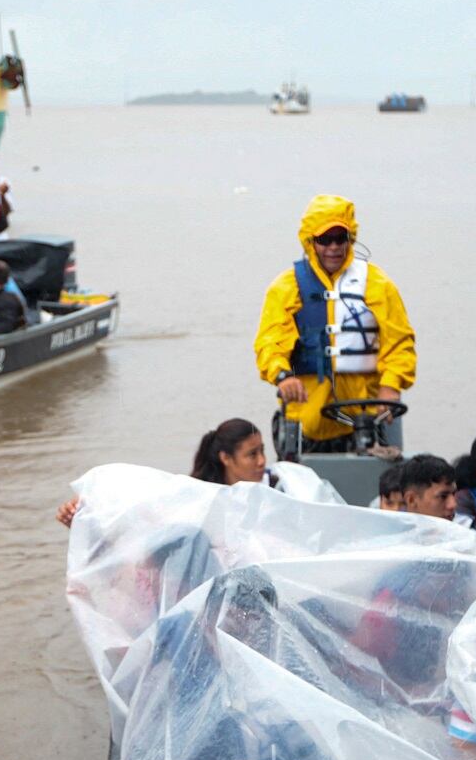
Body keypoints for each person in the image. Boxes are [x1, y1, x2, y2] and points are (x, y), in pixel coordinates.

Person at [254, 195, 416, 453]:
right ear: (310, 241)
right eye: (324, 240)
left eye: (340, 238)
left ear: (350, 238)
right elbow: (269, 343)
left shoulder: (378, 284)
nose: (333, 247)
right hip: (307, 419)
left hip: (366, 417)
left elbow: (400, 342)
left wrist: (391, 386)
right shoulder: (286, 288)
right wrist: (282, 376)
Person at [56, 419, 274, 527]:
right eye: (252, 454)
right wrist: (86, 517)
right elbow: (144, 520)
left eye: (262, 451)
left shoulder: (277, 487)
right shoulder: (197, 498)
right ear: (225, 458)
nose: (262, 461)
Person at [396, 453, 456, 520]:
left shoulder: (462, 528)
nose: (453, 505)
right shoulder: (385, 529)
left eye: (454, 494)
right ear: (411, 500)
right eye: (443, 496)